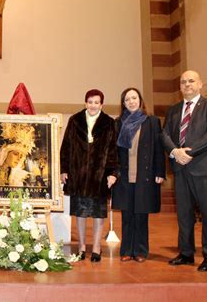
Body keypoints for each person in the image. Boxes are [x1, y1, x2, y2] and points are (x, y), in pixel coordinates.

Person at [162, 70, 207, 272]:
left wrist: (190, 152)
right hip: (181, 169)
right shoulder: (173, 110)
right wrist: (174, 151)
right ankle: (186, 253)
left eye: (191, 81)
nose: (187, 84)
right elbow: (164, 134)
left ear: (200, 84)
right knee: (184, 214)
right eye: (183, 82)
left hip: (204, 167)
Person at [60, 89, 118, 262]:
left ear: (101, 104)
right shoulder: (74, 120)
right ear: (85, 103)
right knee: (80, 213)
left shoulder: (109, 122)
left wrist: (113, 173)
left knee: (99, 214)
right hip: (77, 174)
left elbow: (113, 150)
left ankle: (97, 248)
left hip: (99, 175)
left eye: (96, 102)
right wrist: (64, 170)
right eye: (90, 102)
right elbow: (66, 147)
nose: (93, 105)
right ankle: (82, 247)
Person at [112, 88, 165, 262]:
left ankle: (141, 251)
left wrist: (160, 171)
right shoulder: (118, 123)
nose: (131, 102)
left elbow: (159, 148)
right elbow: (113, 152)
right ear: (123, 103)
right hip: (125, 176)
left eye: (134, 98)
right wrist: (113, 173)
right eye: (127, 100)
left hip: (145, 175)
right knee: (127, 215)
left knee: (142, 214)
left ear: (140, 100)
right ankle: (126, 250)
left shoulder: (152, 121)